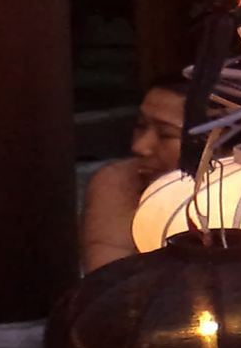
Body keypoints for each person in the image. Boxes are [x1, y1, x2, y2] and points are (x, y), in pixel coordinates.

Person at [80, 78, 188, 272]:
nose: (139, 146)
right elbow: (110, 279)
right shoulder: (119, 183)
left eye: (165, 134)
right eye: (140, 125)